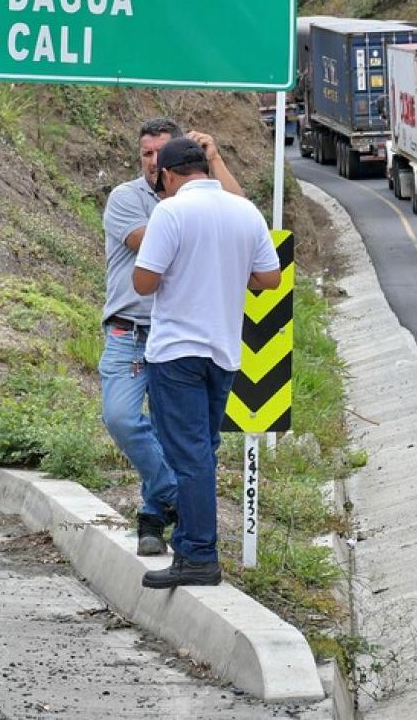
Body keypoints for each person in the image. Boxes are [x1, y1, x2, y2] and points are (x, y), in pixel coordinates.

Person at [132, 138, 280, 588]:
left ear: (169, 175)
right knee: (202, 451)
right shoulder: (244, 211)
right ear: (205, 169)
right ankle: (196, 548)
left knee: (189, 456)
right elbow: (269, 279)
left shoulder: (170, 213)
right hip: (224, 353)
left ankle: (197, 555)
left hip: (176, 352)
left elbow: (143, 282)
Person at [101, 118, 244, 556]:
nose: (152, 161)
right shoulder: (127, 198)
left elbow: (243, 218)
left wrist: (214, 162)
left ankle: (153, 518)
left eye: (161, 153)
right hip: (132, 331)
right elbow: (155, 245)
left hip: (183, 333)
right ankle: (179, 497)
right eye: (145, 153)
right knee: (122, 418)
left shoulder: (201, 201)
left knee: (179, 435)